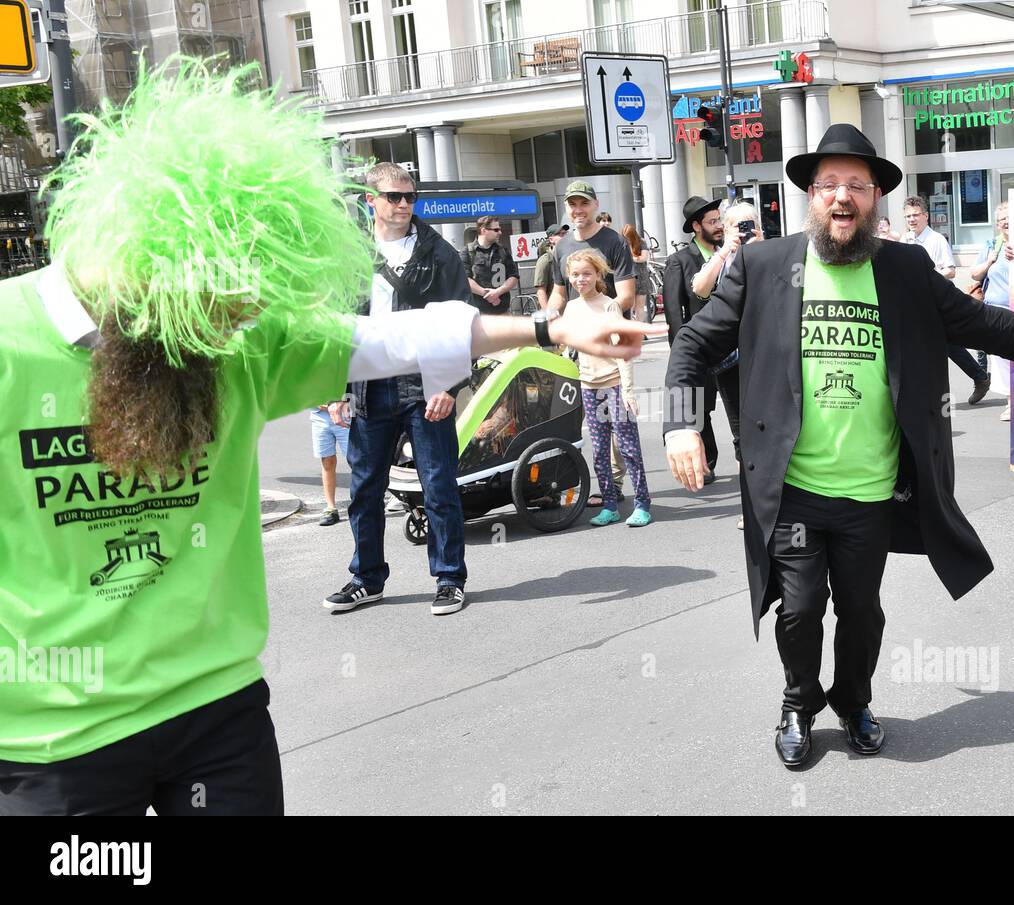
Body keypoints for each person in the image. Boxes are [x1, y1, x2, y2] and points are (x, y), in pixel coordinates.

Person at [0, 60, 657, 816]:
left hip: (215, 706)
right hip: (55, 739)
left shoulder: (231, 337)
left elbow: (388, 338)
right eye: (219, 296)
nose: (236, 319)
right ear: (148, 257)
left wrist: (547, 325)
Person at [662, 123, 1014, 769]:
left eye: (856, 184)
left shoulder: (904, 268)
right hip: (793, 485)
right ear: (810, 196)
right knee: (798, 611)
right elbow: (692, 343)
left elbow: (984, 323)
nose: (842, 197)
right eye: (829, 185)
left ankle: (853, 702)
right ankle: (798, 704)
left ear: (876, 195)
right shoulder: (766, 266)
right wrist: (681, 423)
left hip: (872, 486)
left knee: (862, 611)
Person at [322, 162, 474, 617]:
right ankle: (366, 578)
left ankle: (449, 578)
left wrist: (447, 385)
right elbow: (336, 326)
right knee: (365, 490)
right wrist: (334, 390)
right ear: (372, 201)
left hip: (424, 383)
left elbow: (459, 324)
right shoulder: (349, 256)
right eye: (394, 197)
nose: (405, 204)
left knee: (438, 486)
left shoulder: (439, 253)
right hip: (368, 385)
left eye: (410, 197)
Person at [547, 181, 638, 508]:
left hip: (608, 338)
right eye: (572, 204)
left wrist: (601, 316)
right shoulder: (562, 247)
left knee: (615, 414)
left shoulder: (614, 242)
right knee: (577, 412)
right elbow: (559, 291)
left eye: (583, 203)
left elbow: (626, 293)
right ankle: (578, 478)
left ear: (595, 205)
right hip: (575, 342)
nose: (577, 210)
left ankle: (613, 482)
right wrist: (551, 315)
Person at [563, 250, 652, 527]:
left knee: (628, 448)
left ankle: (642, 504)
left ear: (598, 275)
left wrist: (628, 391)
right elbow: (569, 348)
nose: (581, 279)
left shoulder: (609, 306)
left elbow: (622, 352)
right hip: (588, 387)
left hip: (613, 384)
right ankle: (610, 506)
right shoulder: (571, 308)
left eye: (587, 273)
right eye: (576, 274)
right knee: (599, 450)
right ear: (569, 276)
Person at [690, 199, 760, 528]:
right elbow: (699, 289)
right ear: (726, 229)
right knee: (742, 438)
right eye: (737, 226)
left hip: (766, 359)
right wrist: (724, 251)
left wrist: (759, 248)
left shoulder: (769, 253)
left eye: (749, 224)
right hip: (732, 363)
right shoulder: (722, 260)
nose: (744, 231)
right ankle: (750, 506)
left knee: (777, 431)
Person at [902, 195, 992, 405]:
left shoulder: (936, 240)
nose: (912, 219)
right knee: (940, 344)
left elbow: (950, 271)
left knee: (943, 344)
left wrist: (928, 274)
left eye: (916, 215)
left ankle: (977, 379)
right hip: (912, 303)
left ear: (926, 216)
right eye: (908, 216)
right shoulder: (905, 240)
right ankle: (978, 378)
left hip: (935, 301)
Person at [663, 195, 727, 485]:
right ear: (696, 226)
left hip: (733, 348)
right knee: (700, 408)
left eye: (719, 220)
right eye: (712, 222)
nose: (719, 226)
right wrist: (683, 350)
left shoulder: (729, 254)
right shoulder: (680, 261)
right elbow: (675, 313)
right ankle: (706, 463)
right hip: (701, 349)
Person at [968, 201, 1014, 421]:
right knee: (1002, 359)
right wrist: (988, 262)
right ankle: (1011, 402)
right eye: (1001, 220)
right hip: (996, 311)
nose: (1005, 222)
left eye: (1009, 217)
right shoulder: (992, 245)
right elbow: (975, 274)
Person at [461, 215, 521, 316]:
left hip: (503, 311)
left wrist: (498, 292)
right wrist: (488, 295)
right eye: (496, 230)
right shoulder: (467, 252)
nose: (500, 233)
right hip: (478, 314)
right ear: (484, 230)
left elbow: (514, 276)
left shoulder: (503, 251)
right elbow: (465, 279)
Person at [311, 405, 350, 525]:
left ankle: (367, 501)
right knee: (327, 461)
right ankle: (330, 508)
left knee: (357, 460)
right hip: (319, 416)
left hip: (345, 413)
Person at [622, 223, 653, 323]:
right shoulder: (621, 242)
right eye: (625, 237)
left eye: (628, 237)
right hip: (628, 277)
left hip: (641, 276)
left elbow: (643, 258)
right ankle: (631, 329)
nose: (627, 239)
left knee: (640, 306)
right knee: (630, 306)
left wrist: (631, 258)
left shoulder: (641, 242)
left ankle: (640, 330)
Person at [533, 223, 566, 303]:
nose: (564, 237)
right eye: (560, 234)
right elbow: (541, 291)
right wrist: (547, 312)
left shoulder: (569, 257)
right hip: (554, 309)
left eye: (565, 233)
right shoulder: (545, 261)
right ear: (551, 239)